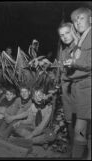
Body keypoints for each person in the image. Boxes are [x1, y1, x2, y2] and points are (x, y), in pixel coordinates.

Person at [63, 7, 91, 159]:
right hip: (79, 90)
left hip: (88, 89)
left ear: (91, 19)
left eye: (81, 18)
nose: (77, 22)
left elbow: (89, 62)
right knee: (82, 130)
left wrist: (74, 62)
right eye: (75, 20)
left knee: (81, 128)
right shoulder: (81, 39)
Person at [57, 22, 79, 150]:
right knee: (69, 122)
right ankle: (73, 149)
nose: (64, 37)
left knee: (81, 129)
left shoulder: (81, 48)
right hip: (67, 96)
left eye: (67, 33)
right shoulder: (64, 51)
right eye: (61, 35)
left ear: (73, 31)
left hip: (78, 95)